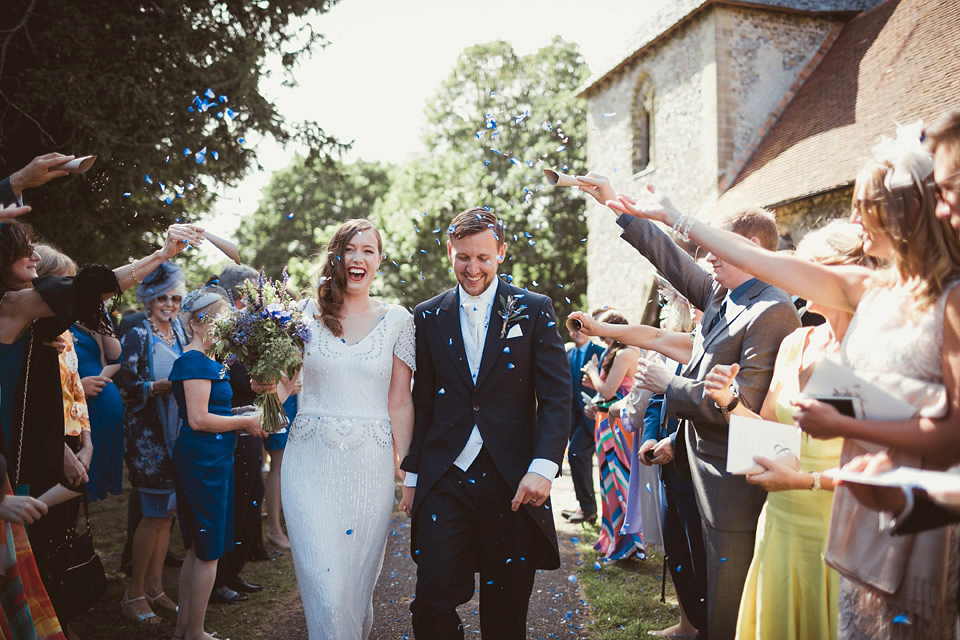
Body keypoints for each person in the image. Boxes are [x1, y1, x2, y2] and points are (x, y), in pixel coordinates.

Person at [590, 125, 960, 637]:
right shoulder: (864, 293)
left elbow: (935, 430)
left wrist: (832, 438)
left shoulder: (936, 302)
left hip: (900, 506)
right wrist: (670, 215)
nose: (855, 219)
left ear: (906, 211)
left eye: (864, 205)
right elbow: (760, 262)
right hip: (845, 506)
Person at [578, 173, 800, 640]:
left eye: (715, 243)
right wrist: (616, 205)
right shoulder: (724, 294)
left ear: (751, 246)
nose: (705, 254)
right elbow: (669, 258)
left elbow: (748, 406)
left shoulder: (772, 310)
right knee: (702, 589)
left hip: (729, 481)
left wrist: (670, 385)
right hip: (689, 465)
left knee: (729, 604)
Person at [702, 220, 879, 640]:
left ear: (838, 273)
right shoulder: (796, 342)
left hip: (839, 526)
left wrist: (805, 480)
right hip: (781, 522)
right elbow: (767, 433)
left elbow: (888, 463)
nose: (793, 278)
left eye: (806, 267)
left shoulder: (874, 352)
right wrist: (728, 400)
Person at [399, 207, 570, 639]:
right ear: (450, 252)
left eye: (483, 258)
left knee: (506, 608)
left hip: (511, 480)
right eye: (463, 257)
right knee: (432, 600)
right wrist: (413, 474)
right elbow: (424, 401)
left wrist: (543, 467)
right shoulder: (428, 315)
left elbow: (555, 398)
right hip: (445, 477)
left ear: (502, 253)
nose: (472, 268)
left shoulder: (534, 310)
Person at [283, 218, 415, 639]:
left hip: (369, 466)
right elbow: (285, 380)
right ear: (336, 256)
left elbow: (400, 399)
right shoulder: (305, 314)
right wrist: (267, 384)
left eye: (368, 250)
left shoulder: (398, 320)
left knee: (353, 589)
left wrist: (407, 468)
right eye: (350, 249)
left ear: (379, 260)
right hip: (308, 462)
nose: (358, 258)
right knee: (324, 583)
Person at [169, 286, 267, 640]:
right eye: (219, 320)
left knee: (201, 549)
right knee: (207, 551)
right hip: (202, 461)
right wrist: (244, 422)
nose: (225, 327)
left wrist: (241, 411)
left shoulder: (213, 362)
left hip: (216, 456)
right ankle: (195, 631)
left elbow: (216, 411)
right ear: (196, 323)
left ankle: (185, 630)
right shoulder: (193, 362)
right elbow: (197, 419)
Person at [115, 261, 188, 624]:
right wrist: (159, 387)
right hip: (148, 439)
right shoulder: (137, 333)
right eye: (163, 297)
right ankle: (134, 594)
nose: (170, 304)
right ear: (149, 298)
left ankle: (156, 588)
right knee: (153, 514)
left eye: (176, 297)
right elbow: (126, 386)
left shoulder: (179, 329)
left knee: (168, 515)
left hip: (178, 435)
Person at [581, 309, 644, 561]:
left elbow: (608, 392)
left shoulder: (628, 353)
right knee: (608, 481)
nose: (602, 339)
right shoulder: (612, 352)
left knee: (622, 480)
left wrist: (594, 372)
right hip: (605, 423)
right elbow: (606, 394)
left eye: (604, 333)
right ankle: (611, 537)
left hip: (620, 426)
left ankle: (628, 543)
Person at [560, 317, 604, 524]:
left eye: (580, 328)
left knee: (577, 454)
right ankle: (586, 508)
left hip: (595, 416)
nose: (577, 332)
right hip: (575, 417)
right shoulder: (568, 353)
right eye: (573, 329)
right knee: (578, 457)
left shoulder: (600, 351)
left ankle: (588, 509)